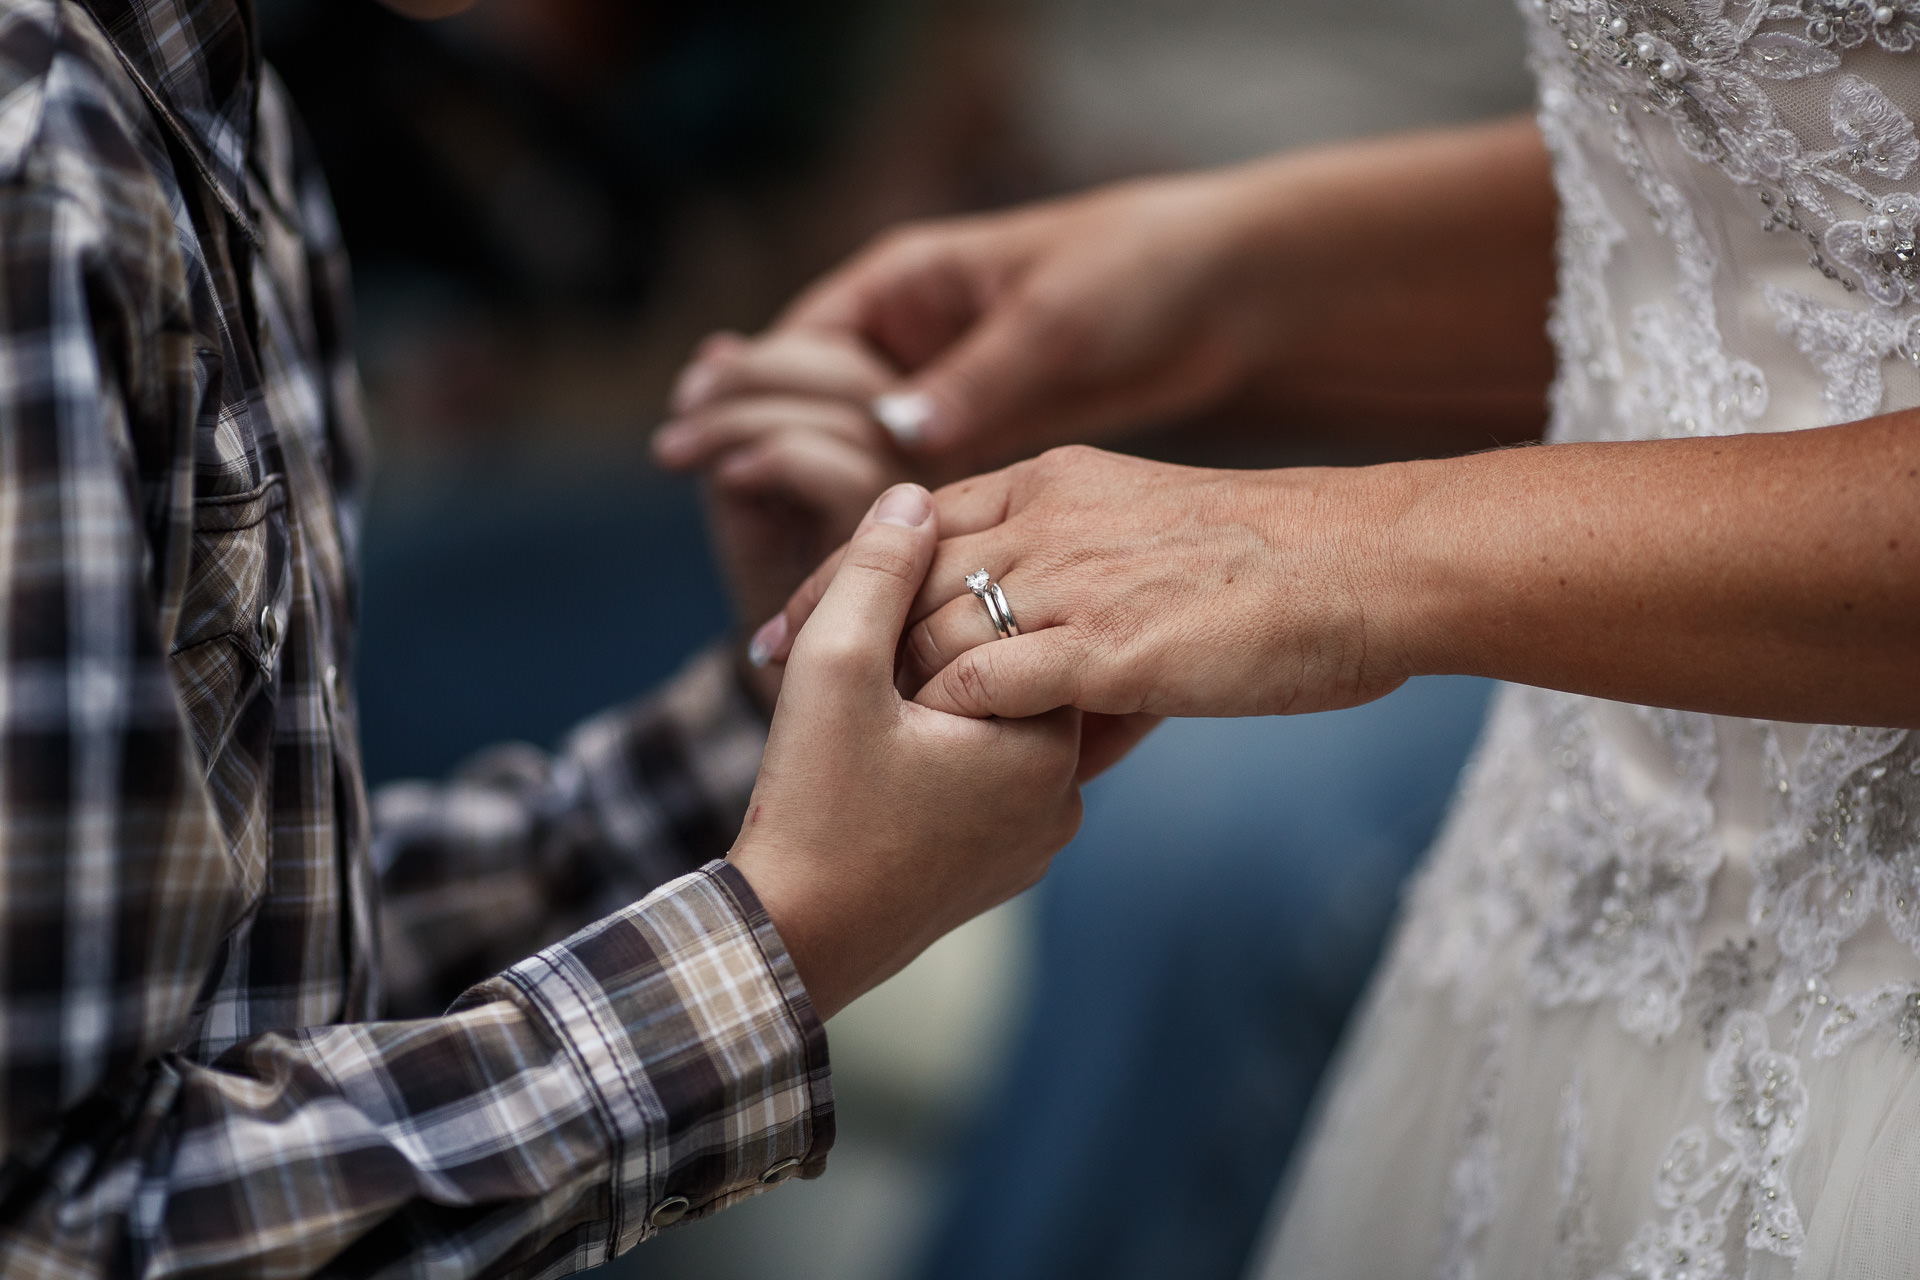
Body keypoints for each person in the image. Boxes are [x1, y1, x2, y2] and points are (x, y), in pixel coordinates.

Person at [672, 14, 1920, 1274]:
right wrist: (1227, 271)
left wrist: (1350, 551)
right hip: (1567, 859)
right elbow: (1753, 188)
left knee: (1191, 838)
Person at [0, 1, 1089, 1275]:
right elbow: (54, 1228)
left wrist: (771, 734)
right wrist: (783, 934)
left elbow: (230, 980)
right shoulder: (41, 175)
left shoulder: (207, 106)